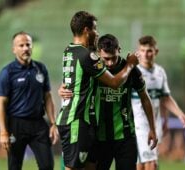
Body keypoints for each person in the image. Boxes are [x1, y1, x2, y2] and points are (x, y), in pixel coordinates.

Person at [58, 34, 158, 170]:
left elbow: (145, 98)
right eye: (106, 59)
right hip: (98, 137)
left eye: (113, 58)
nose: (110, 63)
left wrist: (152, 128)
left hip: (125, 136)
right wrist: (62, 88)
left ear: (119, 50)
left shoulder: (131, 70)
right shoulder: (94, 69)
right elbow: (75, 83)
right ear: (98, 53)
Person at [56, 11, 139, 170]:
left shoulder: (69, 51)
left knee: (88, 167)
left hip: (75, 119)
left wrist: (63, 88)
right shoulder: (87, 56)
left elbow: (75, 80)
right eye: (95, 28)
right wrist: (130, 64)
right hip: (77, 120)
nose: (97, 33)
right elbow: (114, 82)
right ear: (87, 30)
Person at [0, 31, 58, 170]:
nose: (25, 48)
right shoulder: (7, 72)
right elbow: (1, 103)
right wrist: (3, 132)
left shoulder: (41, 68)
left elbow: (47, 97)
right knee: (14, 166)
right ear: (14, 49)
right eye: (21, 45)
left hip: (38, 123)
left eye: (28, 45)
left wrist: (53, 123)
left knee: (48, 165)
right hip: (15, 125)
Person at [131, 35, 185, 170]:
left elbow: (165, 98)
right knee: (151, 163)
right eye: (143, 50)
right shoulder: (134, 72)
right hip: (138, 124)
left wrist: (179, 115)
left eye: (149, 50)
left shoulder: (160, 72)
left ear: (156, 51)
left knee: (142, 164)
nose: (146, 54)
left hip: (155, 124)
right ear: (138, 52)